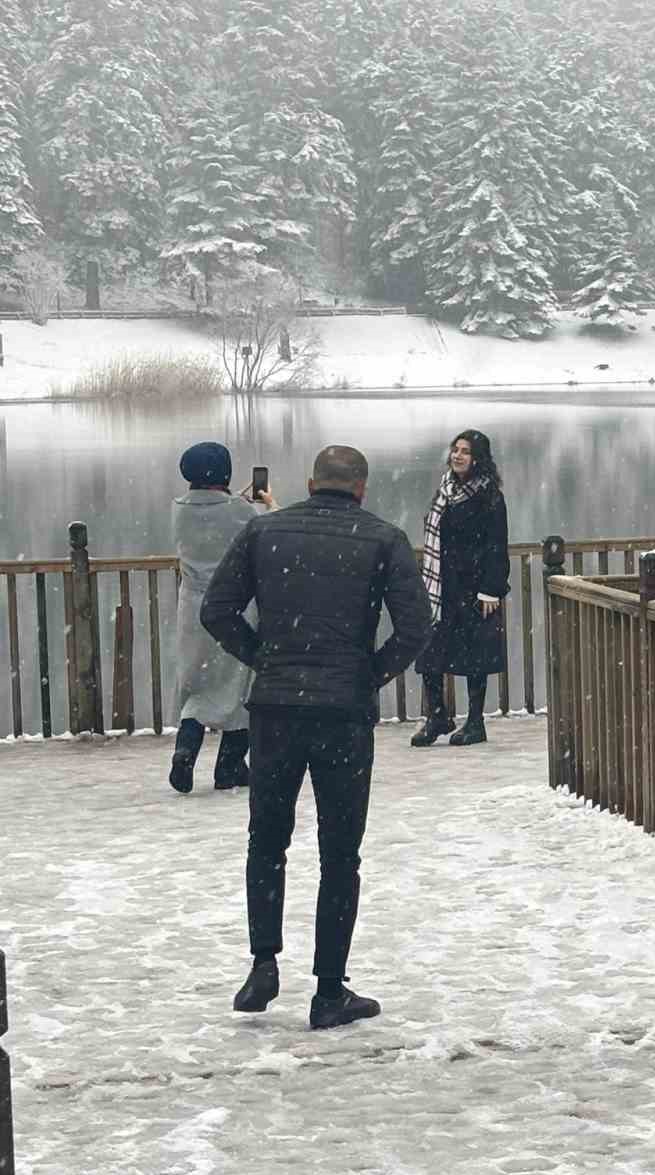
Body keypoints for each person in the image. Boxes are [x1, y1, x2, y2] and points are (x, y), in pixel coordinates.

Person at [201, 445, 431, 1030]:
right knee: (340, 854)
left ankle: (262, 964)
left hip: (276, 709)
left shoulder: (266, 532)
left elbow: (217, 610)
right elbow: (416, 629)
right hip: (343, 716)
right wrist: (368, 672)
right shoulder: (383, 539)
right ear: (362, 487)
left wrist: (264, 658)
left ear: (310, 483)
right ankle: (329, 992)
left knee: (267, 838)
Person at [169, 442, 276, 794]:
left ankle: (185, 750)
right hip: (234, 609)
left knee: (197, 686)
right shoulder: (242, 512)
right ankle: (229, 767)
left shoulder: (178, 510)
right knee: (238, 687)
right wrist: (269, 504)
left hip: (193, 611)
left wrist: (238, 501)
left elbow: (215, 514)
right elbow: (272, 533)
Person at [410, 429, 510, 749]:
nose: (457, 455)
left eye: (465, 451)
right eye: (455, 449)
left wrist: (491, 589)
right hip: (442, 587)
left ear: (478, 458)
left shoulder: (490, 496)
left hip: (475, 588)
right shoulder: (445, 490)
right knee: (431, 652)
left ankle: (476, 722)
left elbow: (497, 545)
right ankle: (437, 716)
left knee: (474, 657)